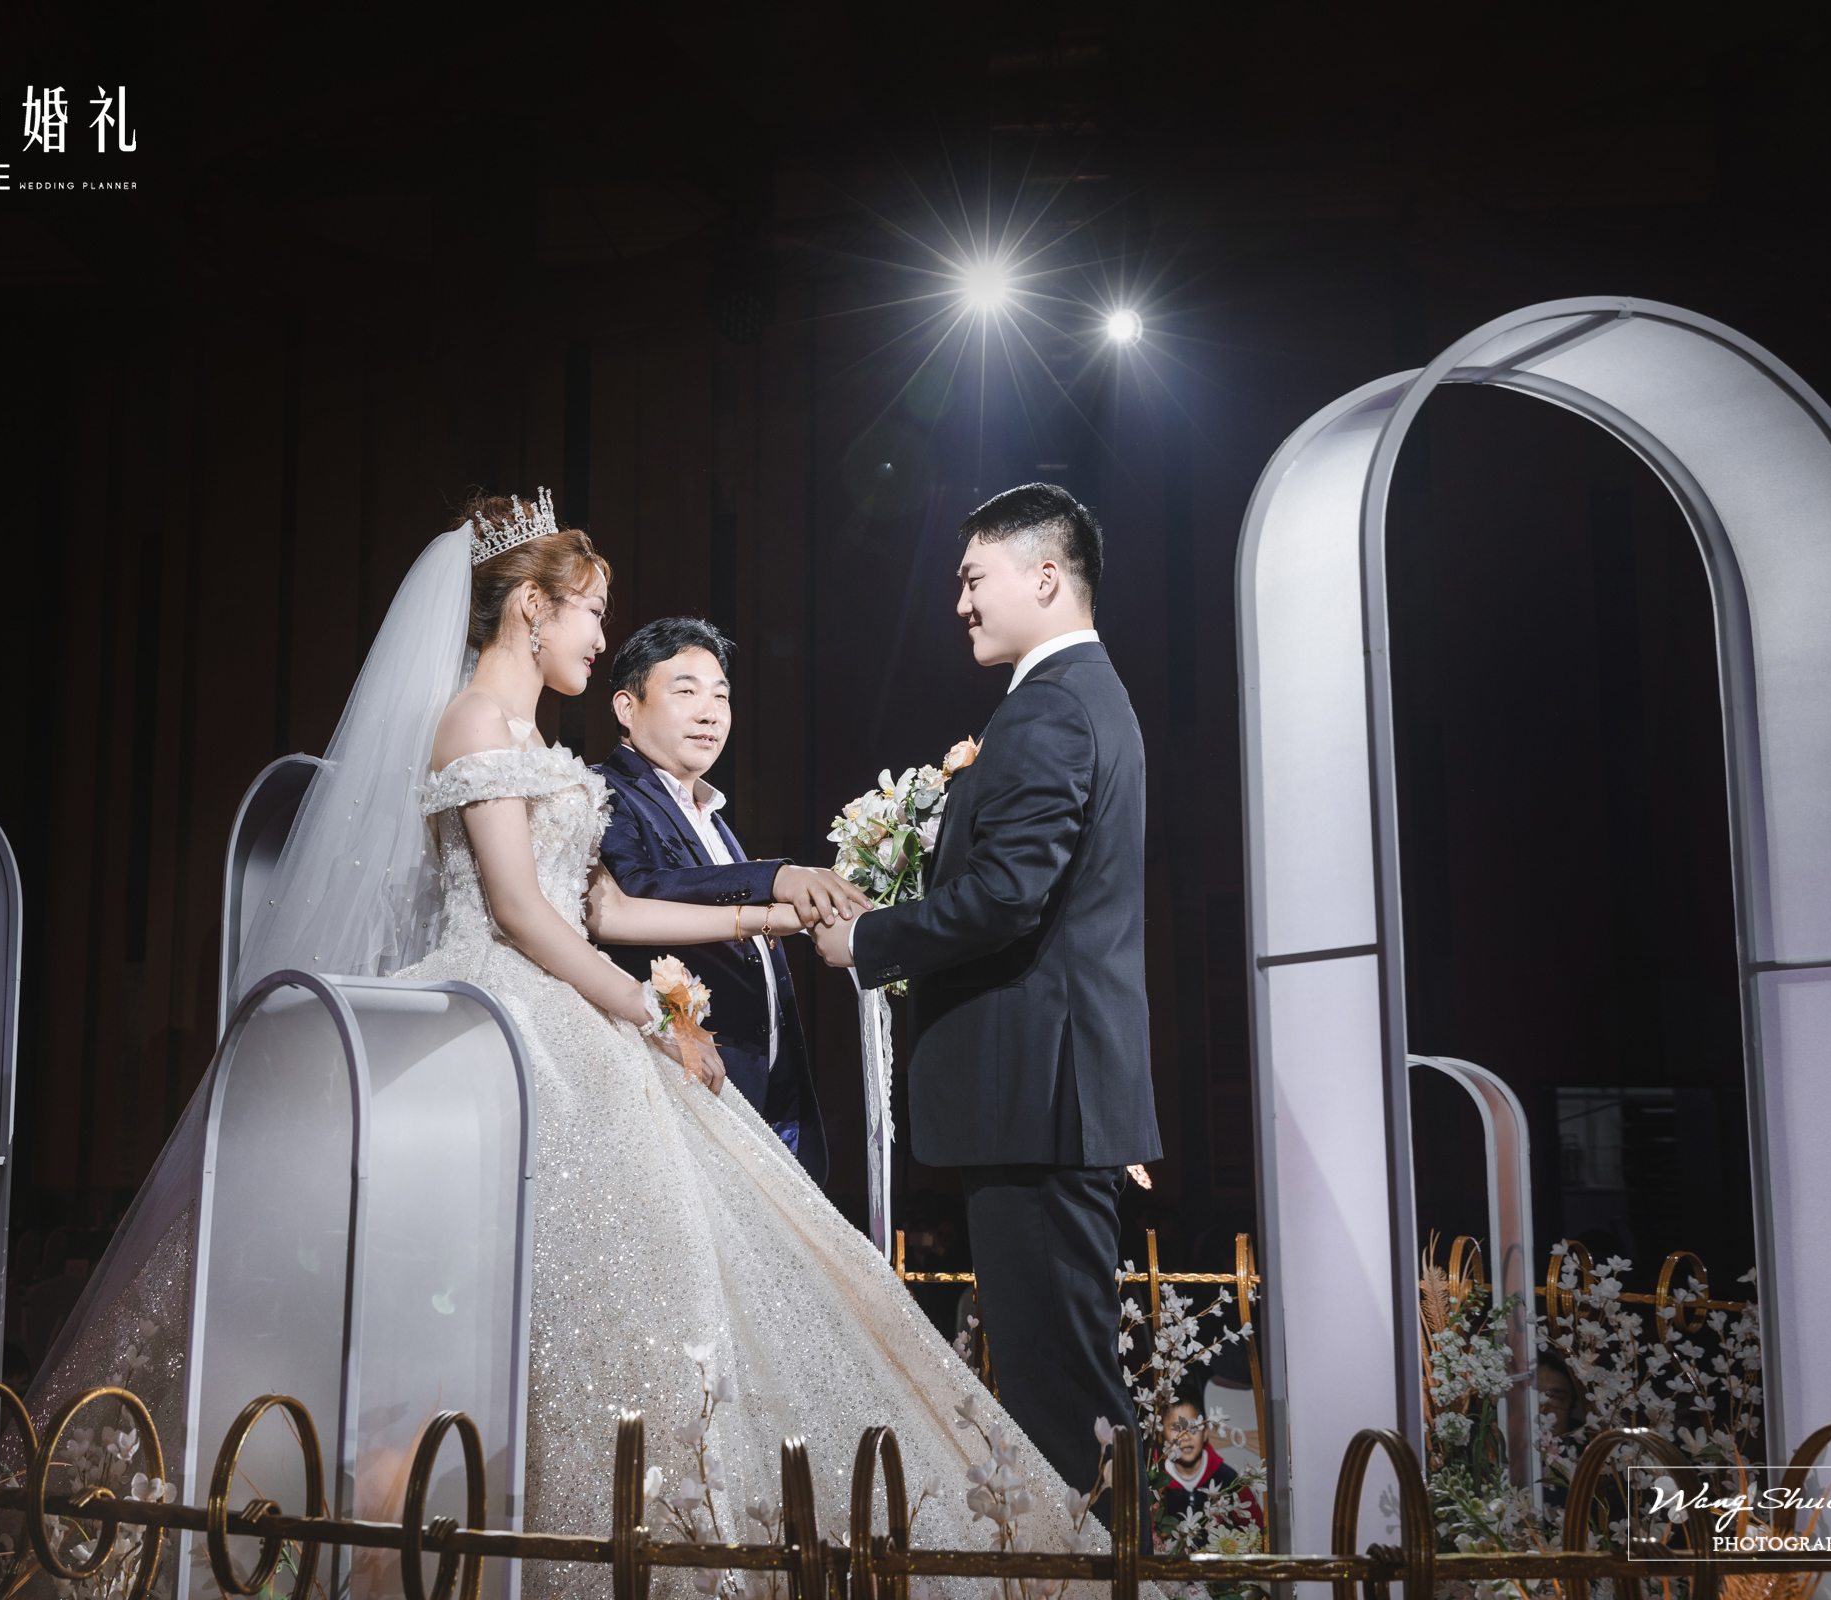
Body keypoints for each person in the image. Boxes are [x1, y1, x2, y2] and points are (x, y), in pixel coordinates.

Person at [206, 490, 1114, 1577]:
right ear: (532, 608)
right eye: (593, 611)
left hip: (568, 1000)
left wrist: (773, 914)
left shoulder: (537, 739)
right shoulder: (472, 722)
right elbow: (521, 912)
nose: (600, 634)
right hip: (502, 1020)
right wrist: (647, 1011)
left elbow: (609, 907)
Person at [814, 481, 1161, 1500]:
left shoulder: (1051, 707)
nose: (960, 603)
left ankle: (1112, 1568)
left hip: (1036, 1103)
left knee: (1065, 1406)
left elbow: (1008, 894)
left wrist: (867, 937)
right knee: (1066, 1391)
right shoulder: (1085, 696)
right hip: (1048, 1098)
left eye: (974, 579)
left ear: (1045, 576)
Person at [592, 615, 867, 1182]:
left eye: (720, 695)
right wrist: (774, 880)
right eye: (686, 692)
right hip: (684, 1078)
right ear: (627, 707)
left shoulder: (712, 815)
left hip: (765, 1081)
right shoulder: (604, 792)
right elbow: (639, 889)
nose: (710, 712)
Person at [1148, 1389, 1260, 1553]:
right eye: (1176, 1428)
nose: (1185, 1436)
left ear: (1206, 1432)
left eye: (1193, 1426)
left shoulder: (1230, 1480)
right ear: (1161, 1435)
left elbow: (1257, 1531)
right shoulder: (1152, 1486)